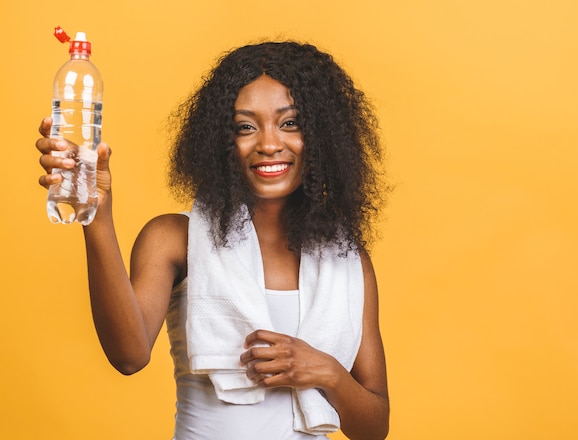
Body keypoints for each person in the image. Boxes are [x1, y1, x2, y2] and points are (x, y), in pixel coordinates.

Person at [36, 41, 389, 440]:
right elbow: (128, 356)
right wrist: (95, 215)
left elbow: (374, 428)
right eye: (245, 127)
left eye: (290, 123)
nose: (269, 144)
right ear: (221, 143)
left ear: (322, 136)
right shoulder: (174, 237)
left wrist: (327, 372)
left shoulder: (347, 261)